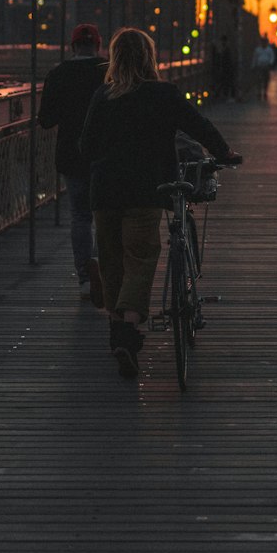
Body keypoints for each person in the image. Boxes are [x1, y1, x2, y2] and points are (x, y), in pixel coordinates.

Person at [79, 26, 242, 380]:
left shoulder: (102, 96)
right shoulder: (164, 94)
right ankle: (129, 328)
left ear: (115, 58)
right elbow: (199, 126)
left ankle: (117, 328)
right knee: (140, 259)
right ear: (150, 58)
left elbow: (86, 147)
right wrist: (224, 152)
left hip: (105, 192)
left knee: (111, 262)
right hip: (146, 190)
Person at [37, 22, 107, 297]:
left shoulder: (59, 74)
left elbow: (46, 120)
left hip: (72, 155)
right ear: (98, 45)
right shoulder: (109, 73)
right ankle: (101, 267)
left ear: (73, 46)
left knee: (80, 216)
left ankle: (85, 279)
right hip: (104, 154)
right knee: (104, 214)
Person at [251, 36, 273, 102]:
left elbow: (272, 57)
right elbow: (254, 58)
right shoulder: (257, 50)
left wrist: (270, 63)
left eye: (265, 42)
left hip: (266, 66)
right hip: (259, 66)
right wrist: (253, 65)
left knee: (266, 80)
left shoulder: (269, 50)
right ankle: (259, 92)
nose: (264, 43)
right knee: (259, 80)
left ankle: (265, 92)